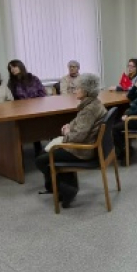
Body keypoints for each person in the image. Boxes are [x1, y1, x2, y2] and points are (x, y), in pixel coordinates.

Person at [34, 73, 105, 208]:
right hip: (84, 145)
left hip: (83, 150)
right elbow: (79, 122)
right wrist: (69, 126)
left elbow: (78, 136)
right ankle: (64, 186)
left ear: (86, 91)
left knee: (41, 160)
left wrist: (66, 134)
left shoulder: (89, 109)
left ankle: (66, 189)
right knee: (45, 153)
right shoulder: (92, 103)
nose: (74, 91)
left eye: (77, 88)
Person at [7, 59, 48, 155]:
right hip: (21, 110)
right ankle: (20, 152)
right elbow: (12, 99)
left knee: (37, 124)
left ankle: (38, 148)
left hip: (36, 108)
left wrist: (35, 103)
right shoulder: (11, 82)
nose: (12, 69)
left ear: (20, 66)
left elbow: (42, 93)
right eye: (10, 68)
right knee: (20, 127)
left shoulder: (33, 78)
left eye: (14, 66)